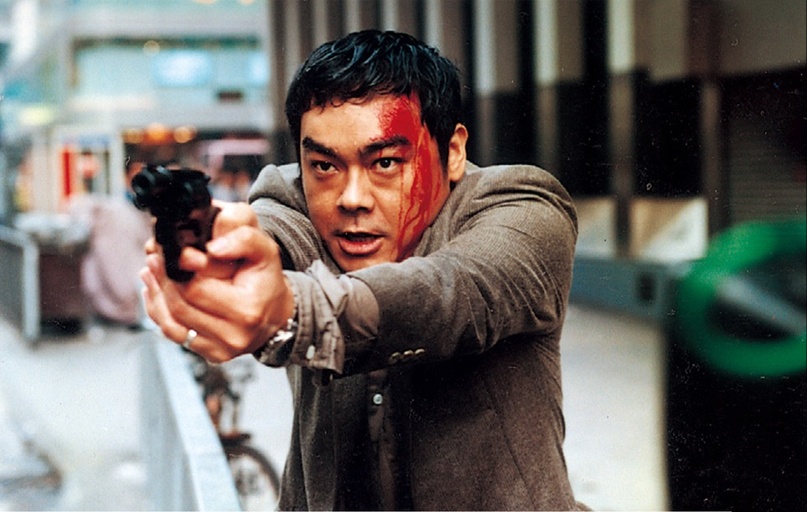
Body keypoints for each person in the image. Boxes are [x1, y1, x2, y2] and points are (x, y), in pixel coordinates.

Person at [141, 30, 584, 510]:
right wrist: (221, 258)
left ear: (453, 151)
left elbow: (454, 292)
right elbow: (272, 233)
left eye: (386, 163)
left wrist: (292, 310)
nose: (352, 198)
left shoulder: (522, 208)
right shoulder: (295, 201)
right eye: (325, 166)